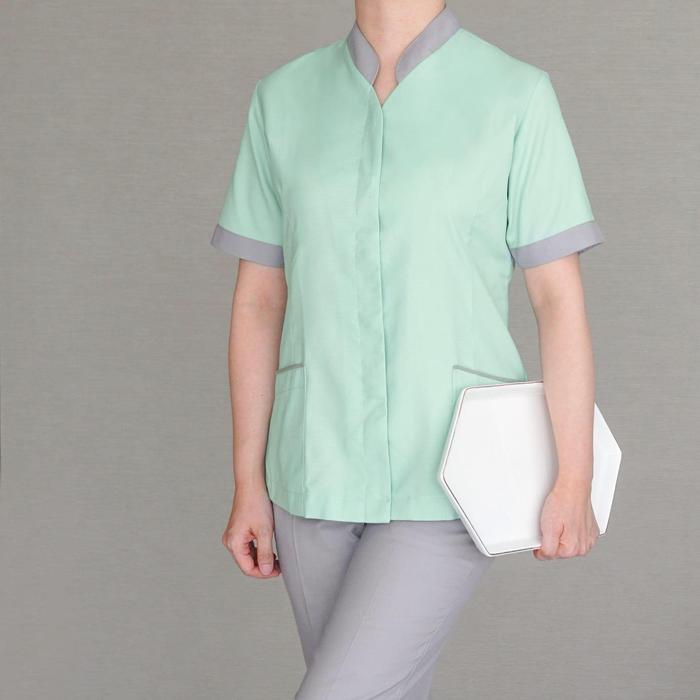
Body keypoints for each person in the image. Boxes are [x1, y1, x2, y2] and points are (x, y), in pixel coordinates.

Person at [214, 1, 605, 697]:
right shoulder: (282, 99)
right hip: (310, 470)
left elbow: (558, 301)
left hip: (452, 473)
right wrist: (249, 482)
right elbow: (258, 302)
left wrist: (573, 478)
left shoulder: (514, 96)